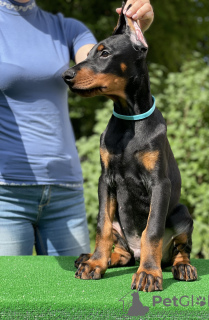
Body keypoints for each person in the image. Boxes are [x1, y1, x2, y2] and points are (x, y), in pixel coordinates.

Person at [0, 0, 154, 256]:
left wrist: (135, 34)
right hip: (6, 192)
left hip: (65, 192)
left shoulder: (67, 28)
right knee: (8, 291)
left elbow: (98, 67)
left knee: (77, 290)